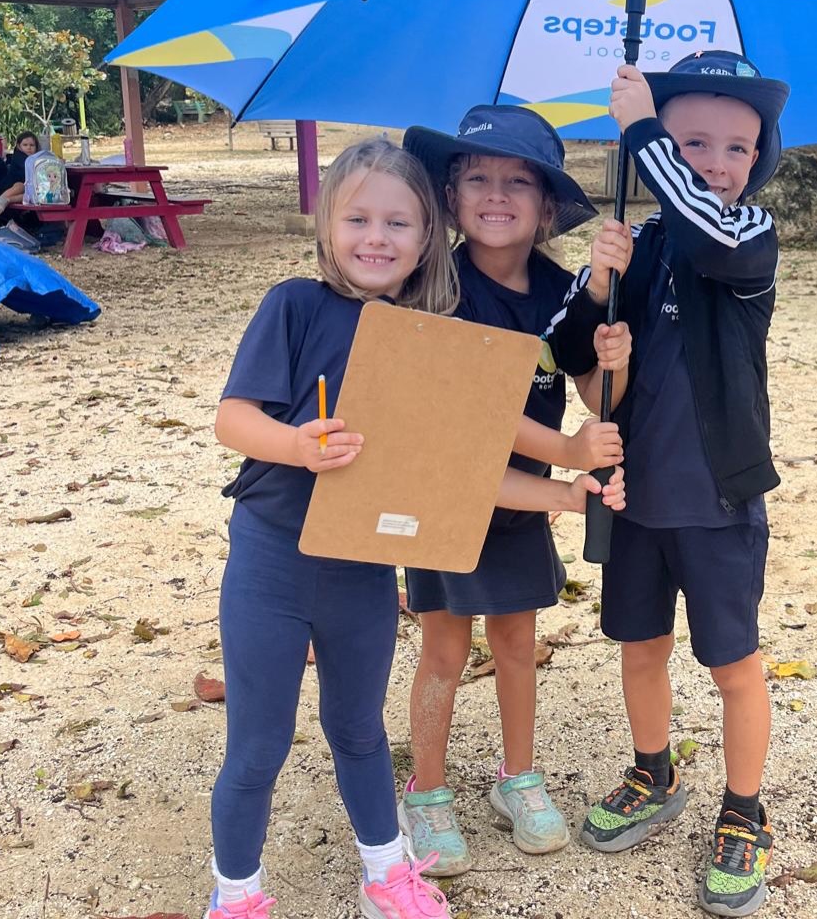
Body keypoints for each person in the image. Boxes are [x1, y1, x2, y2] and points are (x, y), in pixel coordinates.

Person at [209, 136, 623, 919]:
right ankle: (235, 895)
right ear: (326, 223)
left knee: (359, 730)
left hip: (362, 564)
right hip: (272, 558)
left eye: (397, 223)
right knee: (258, 746)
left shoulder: (429, 330)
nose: (376, 238)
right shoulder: (293, 304)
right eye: (358, 219)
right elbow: (233, 418)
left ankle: (388, 874)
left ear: (429, 234)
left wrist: (565, 488)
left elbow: (468, 457)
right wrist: (296, 445)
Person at [546, 51, 790, 918]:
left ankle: (745, 810)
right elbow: (563, 349)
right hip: (634, 496)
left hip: (718, 499)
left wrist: (644, 125)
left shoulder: (748, 234)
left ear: (757, 161)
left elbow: (704, 230)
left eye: (736, 147)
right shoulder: (641, 245)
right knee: (640, 646)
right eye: (694, 143)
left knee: (732, 663)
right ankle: (655, 772)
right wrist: (599, 289)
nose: (716, 163)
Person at [399, 106, 632, 875]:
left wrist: (614, 352)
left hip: (521, 499)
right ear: (450, 196)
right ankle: (426, 789)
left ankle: (518, 777)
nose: (496, 196)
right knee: (444, 647)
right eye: (477, 179)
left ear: (547, 207)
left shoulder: (569, 292)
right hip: (445, 494)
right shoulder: (433, 286)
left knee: (516, 642)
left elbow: (593, 390)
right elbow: (465, 411)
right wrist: (565, 451)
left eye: (518, 183)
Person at [0, 131, 40, 224]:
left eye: (32, 145)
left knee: (32, 194)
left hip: (23, 192)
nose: (29, 147)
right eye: (25, 145)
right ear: (19, 146)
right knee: (21, 186)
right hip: (8, 188)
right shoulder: (20, 157)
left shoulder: (34, 159)